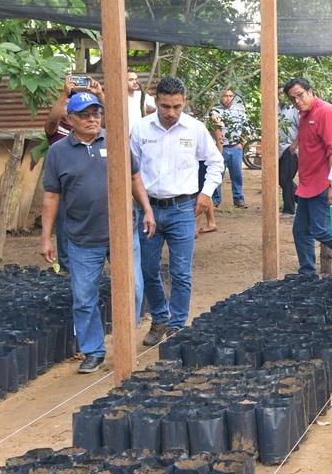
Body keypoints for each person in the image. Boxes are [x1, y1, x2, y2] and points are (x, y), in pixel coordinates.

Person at [41, 90, 153, 372]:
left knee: (134, 288)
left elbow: (134, 177)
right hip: (82, 238)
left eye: (96, 113)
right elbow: (51, 196)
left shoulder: (115, 141)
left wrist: (148, 209)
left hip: (122, 233)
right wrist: (46, 237)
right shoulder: (57, 153)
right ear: (70, 119)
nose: (92, 119)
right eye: (84, 114)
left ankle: (125, 342)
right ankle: (93, 350)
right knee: (83, 295)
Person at [131, 76, 224, 347]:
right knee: (148, 269)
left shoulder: (194, 129)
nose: (171, 113)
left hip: (183, 208)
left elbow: (215, 161)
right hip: (148, 209)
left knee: (181, 271)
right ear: (155, 101)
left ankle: (176, 325)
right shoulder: (140, 129)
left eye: (177, 107)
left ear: (184, 103)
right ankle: (159, 317)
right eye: (165, 106)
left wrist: (206, 192)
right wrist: (140, 204)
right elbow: (130, 170)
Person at [44, 74, 105, 272]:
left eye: (92, 112)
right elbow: (52, 118)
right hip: (66, 184)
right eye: (81, 112)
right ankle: (68, 266)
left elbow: (114, 123)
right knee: (65, 226)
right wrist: (64, 94)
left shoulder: (97, 129)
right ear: (70, 114)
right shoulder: (57, 130)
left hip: (93, 182)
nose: (89, 117)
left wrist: (100, 94)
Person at [286, 77, 332, 275]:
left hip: (323, 184)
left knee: (322, 230)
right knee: (300, 231)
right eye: (292, 99)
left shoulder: (326, 112)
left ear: (310, 91)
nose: (297, 101)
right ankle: (307, 275)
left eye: (300, 95)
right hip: (306, 185)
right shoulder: (304, 115)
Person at [210, 88, 249, 209]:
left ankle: (238, 199)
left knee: (237, 175)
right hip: (219, 148)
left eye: (230, 95)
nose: (228, 98)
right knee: (217, 175)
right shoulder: (215, 110)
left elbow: (246, 127)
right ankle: (215, 200)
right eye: (225, 95)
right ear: (220, 97)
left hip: (235, 148)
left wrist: (241, 143)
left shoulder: (240, 110)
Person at [278, 102, 300, 215]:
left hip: (291, 148)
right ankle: (302, 200)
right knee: (280, 179)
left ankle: (289, 209)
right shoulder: (273, 108)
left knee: (285, 178)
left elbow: (302, 128)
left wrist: (294, 145)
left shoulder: (294, 109)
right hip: (277, 150)